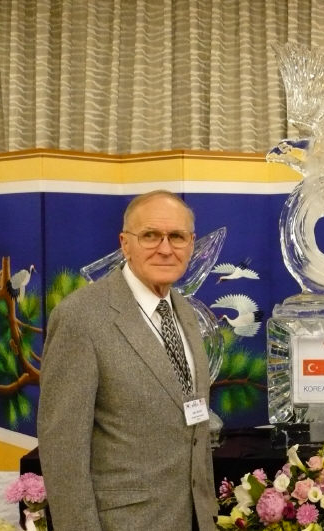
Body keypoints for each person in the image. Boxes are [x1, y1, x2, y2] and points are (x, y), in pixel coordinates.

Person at [38, 190, 217, 530]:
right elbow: (62, 450)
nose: (165, 248)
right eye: (150, 235)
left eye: (177, 237)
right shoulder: (80, 317)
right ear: (125, 243)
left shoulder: (183, 311)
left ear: (191, 244)